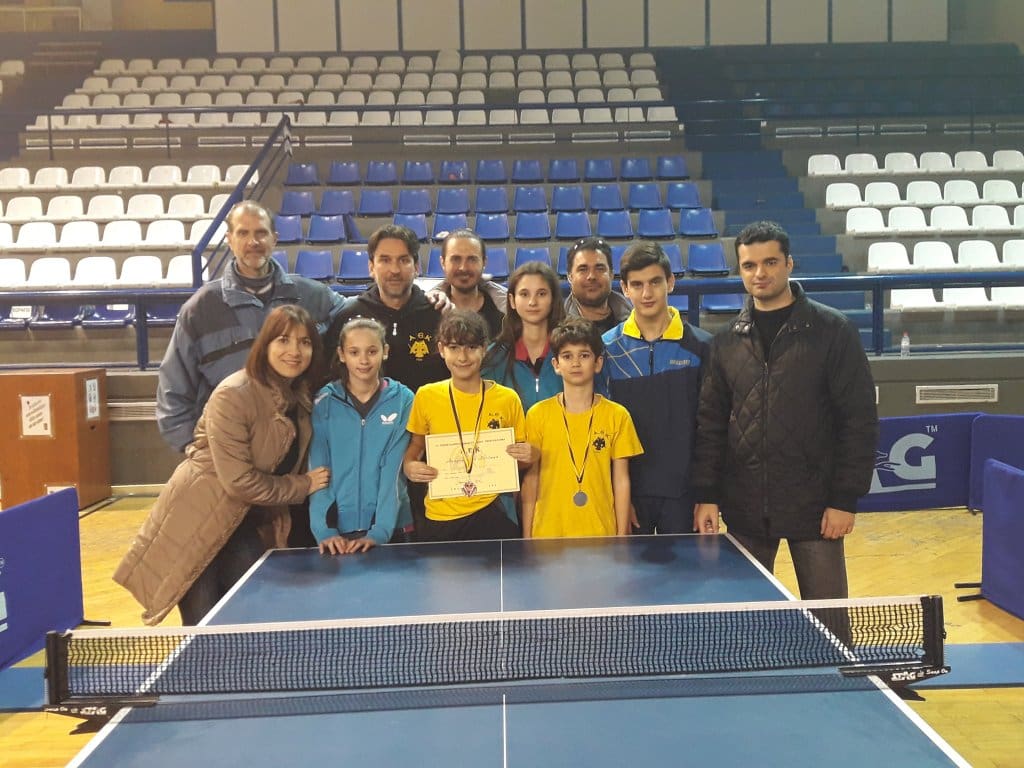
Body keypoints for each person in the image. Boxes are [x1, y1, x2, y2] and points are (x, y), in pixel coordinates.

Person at [691, 220, 878, 600]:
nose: (760, 273)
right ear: (740, 270)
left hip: (816, 507)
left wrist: (844, 500)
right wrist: (707, 494)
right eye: (749, 265)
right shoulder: (725, 342)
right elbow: (710, 425)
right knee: (748, 621)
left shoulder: (834, 331)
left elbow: (858, 422)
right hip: (744, 508)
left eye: (770, 262)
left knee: (829, 620)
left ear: (789, 264)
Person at [115, 306, 331, 625]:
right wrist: (303, 485)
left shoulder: (298, 398)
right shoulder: (234, 393)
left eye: (305, 342)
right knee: (204, 623)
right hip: (200, 518)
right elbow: (239, 481)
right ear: (265, 344)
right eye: (283, 340)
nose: (295, 351)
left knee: (251, 612)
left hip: (242, 522)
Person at [157, 200, 345, 453]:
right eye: (243, 233)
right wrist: (190, 445)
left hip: (300, 449)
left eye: (261, 233)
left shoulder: (313, 296)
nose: (253, 242)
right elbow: (173, 388)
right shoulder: (201, 309)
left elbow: (360, 317)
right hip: (228, 449)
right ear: (229, 239)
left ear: (274, 239)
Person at [602, 241, 712, 534]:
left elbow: (710, 427)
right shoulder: (607, 348)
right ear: (624, 289)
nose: (646, 293)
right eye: (637, 285)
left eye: (655, 282)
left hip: (684, 497)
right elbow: (601, 427)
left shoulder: (702, 347)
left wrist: (707, 495)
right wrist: (615, 496)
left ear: (670, 282)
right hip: (628, 493)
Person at [402, 309, 537, 541]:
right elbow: (416, 446)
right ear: (441, 349)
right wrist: (410, 465)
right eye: (454, 347)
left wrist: (530, 455)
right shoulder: (426, 396)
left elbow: (521, 459)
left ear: (484, 349)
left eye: (471, 347)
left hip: (493, 511)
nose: (463, 357)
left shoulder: (507, 399)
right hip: (441, 515)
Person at [521, 317, 643, 538]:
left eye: (584, 355)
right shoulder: (537, 415)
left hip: (601, 533)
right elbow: (531, 479)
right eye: (567, 356)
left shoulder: (617, 416)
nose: (575, 363)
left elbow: (621, 481)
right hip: (548, 534)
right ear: (556, 365)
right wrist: (527, 537)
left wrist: (622, 535)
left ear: (598, 363)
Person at [309, 317, 414, 554]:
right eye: (354, 352)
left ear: (385, 352)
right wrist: (324, 529)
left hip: (393, 527)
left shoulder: (404, 400)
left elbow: (393, 471)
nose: (364, 360)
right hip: (336, 531)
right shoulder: (324, 401)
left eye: (372, 351)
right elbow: (318, 469)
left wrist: (380, 530)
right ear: (342, 354)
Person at [322, 223, 449, 393]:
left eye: (403, 260)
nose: (394, 270)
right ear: (371, 267)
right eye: (385, 260)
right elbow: (332, 380)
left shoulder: (439, 315)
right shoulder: (348, 318)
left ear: (416, 267)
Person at [481, 261, 566, 413]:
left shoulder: (571, 353)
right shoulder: (493, 357)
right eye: (524, 294)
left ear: (553, 299)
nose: (532, 302)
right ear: (512, 301)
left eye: (541, 294)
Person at [435, 228, 506, 338]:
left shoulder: (505, 314)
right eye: (456, 259)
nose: (463, 268)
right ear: (443, 262)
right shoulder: (428, 312)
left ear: (484, 262)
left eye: (472, 259)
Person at [563, 237, 632, 335]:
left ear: (611, 275)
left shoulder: (637, 323)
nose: (591, 276)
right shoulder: (555, 328)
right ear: (570, 277)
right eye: (583, 269)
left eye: (599, 269)